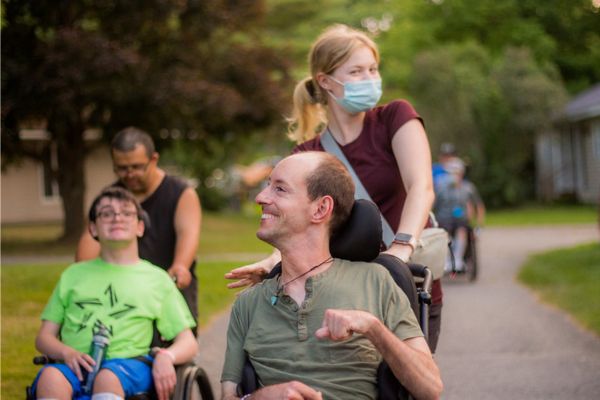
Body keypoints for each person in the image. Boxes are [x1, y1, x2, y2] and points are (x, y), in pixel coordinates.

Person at [225, 24, 444, 352]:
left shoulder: (394, 118)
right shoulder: (306, 155)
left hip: (405, 285)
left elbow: (421, 187)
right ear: (326, 81)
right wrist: (272, 261)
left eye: (373, 69)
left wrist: (401, 249)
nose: (370, 79)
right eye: (356, 71)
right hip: (342, 294)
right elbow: (296, 224)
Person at [221, 152, 443, 400]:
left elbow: (430, 388)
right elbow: (228, 396)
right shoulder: (247, 304)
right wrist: (261, 397)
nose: (261, 197)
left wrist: (373, 329)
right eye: (267, 186)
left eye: (280, 189)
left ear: (321, 208)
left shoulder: (376, 281)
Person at [31, 187, 198, 400]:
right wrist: (67, 353)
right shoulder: (73, 275)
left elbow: (188, 342)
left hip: (127, 365)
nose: (117, 217)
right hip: (74, 364)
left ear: (139, 227)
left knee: (107, 377)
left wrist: (166, 356)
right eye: (107, 213)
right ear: (93, 228)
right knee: (50, 378)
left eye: (126, 213)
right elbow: (44, 337)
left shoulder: (156, 279)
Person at [76, 127, 202, 331]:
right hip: (124, 298)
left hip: (169, 293)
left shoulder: (181, 193)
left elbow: (188, 235)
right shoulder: (109, 198)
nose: (130, 174)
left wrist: (180, 266)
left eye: (136, 166)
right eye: (122, 168)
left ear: (154, 159)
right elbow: (86, 253)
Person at [433, 158, 485, 271]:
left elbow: (477, 207)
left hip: (461, 220)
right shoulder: (440, 188)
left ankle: (457, 259)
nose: (453, 175)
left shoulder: (468, 188)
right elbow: (433, 205)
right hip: (444, 220)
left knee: (462, 230)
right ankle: (447, 260)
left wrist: (479, 226)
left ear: (461, 173)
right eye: (451, 172)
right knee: (445, 232)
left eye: (456, 172)